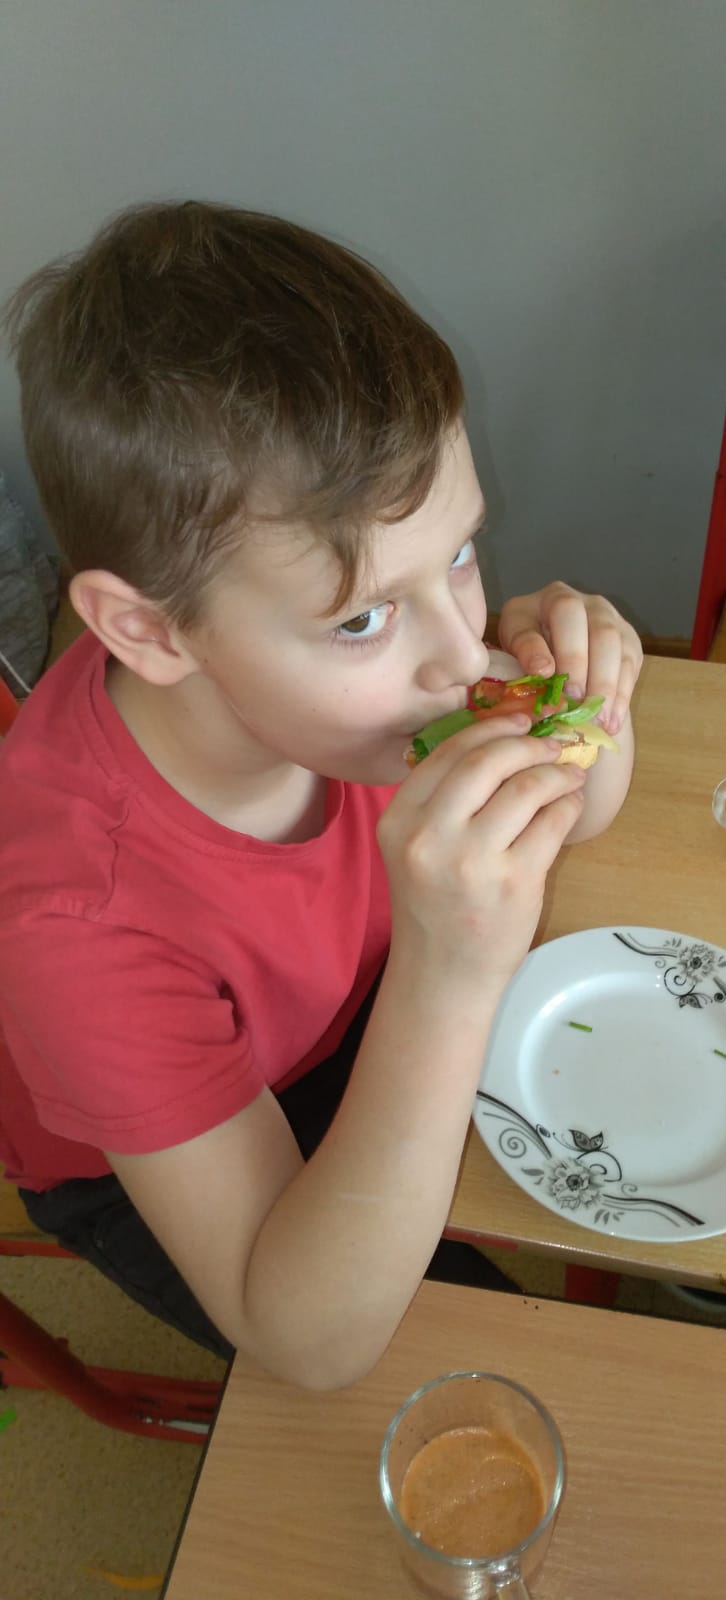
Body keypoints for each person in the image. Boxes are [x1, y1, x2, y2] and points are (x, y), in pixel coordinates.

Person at [0, 201, 641, 1389]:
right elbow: (306, 1337)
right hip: (157, 1165)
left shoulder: (375, 691)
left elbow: (581, 814)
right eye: (360, 618)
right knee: (507, 1379)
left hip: (358, 1009)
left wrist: (588, 708)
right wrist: (449, 973)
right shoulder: (76, 924)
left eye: (459, 552)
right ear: (151, 631)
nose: (460, 654)